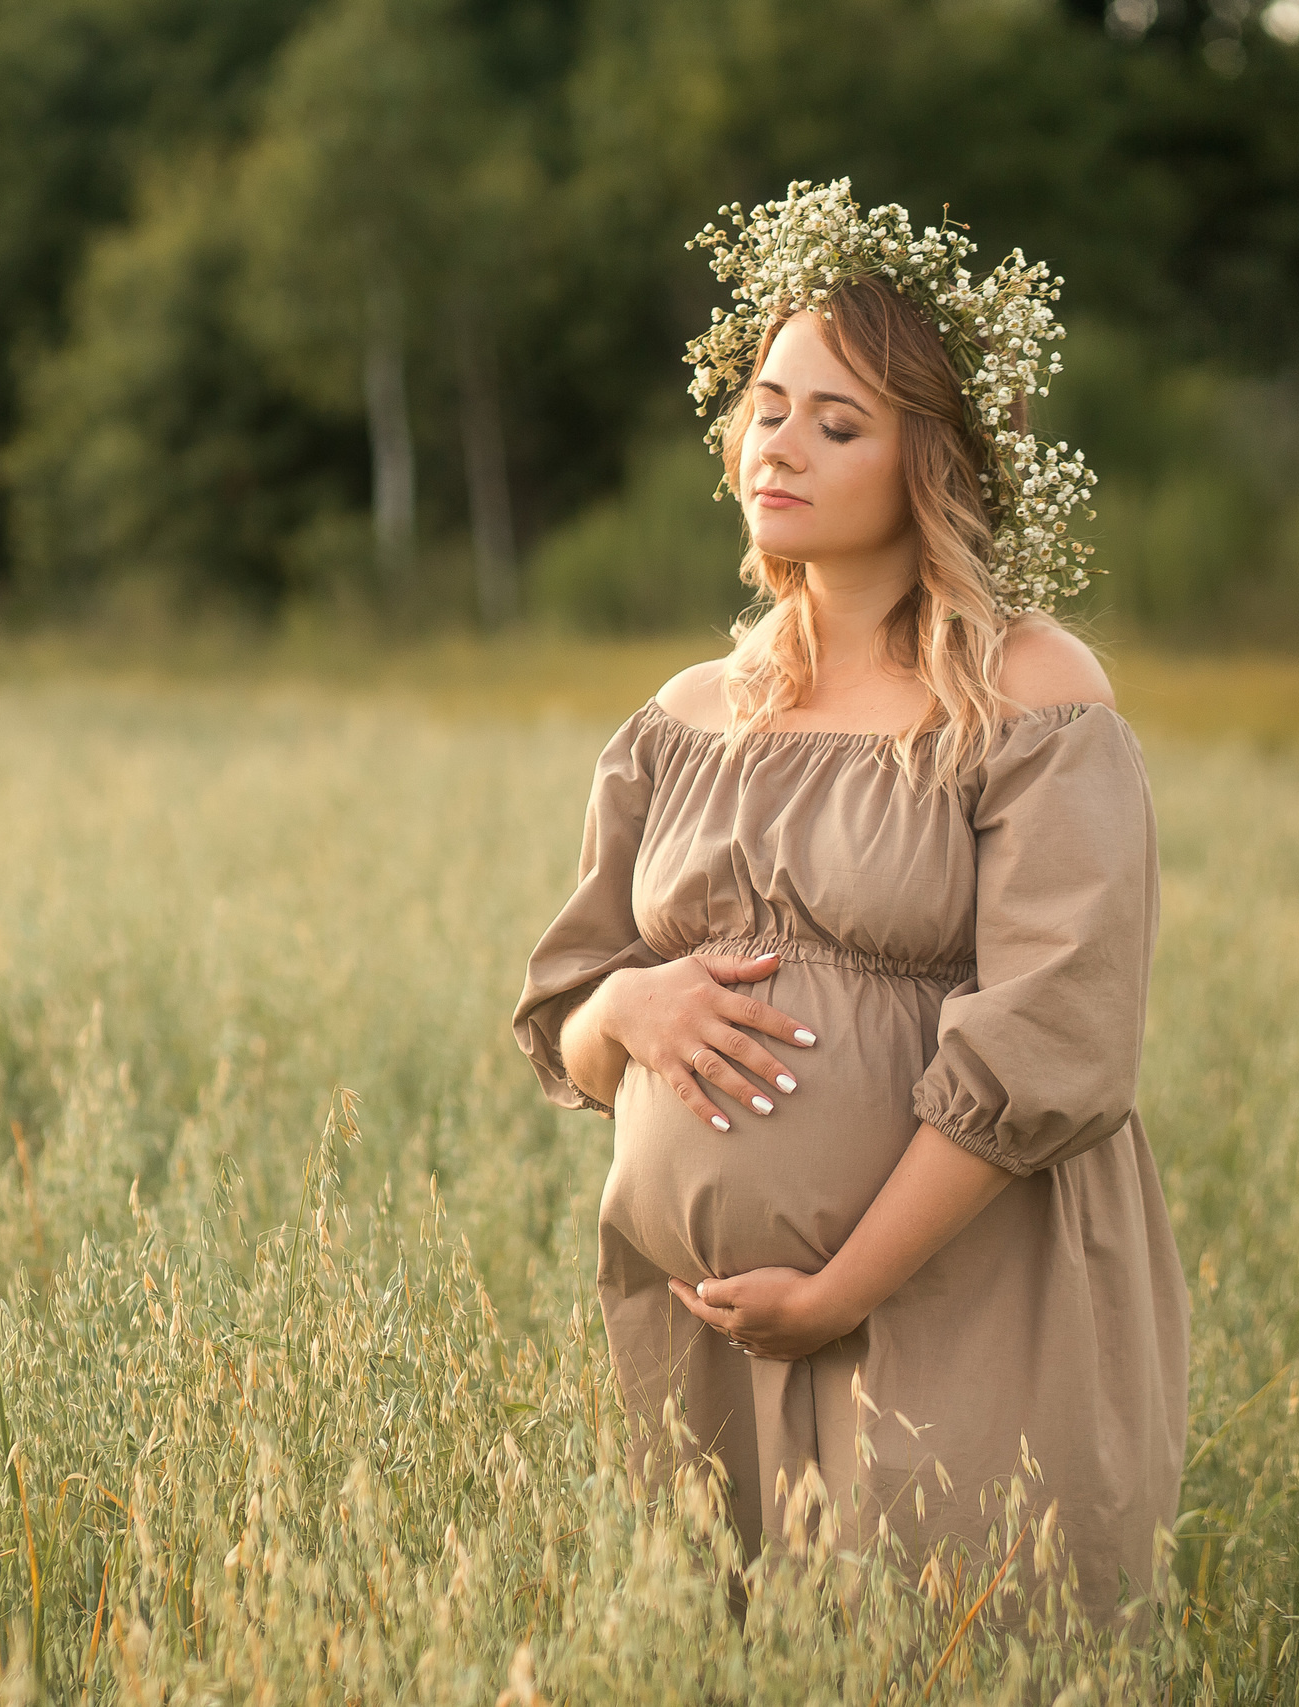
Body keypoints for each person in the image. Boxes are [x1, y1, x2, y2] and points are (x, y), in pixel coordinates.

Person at [512, 181, 1187, 1626]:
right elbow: (567, 1024)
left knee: (958, 1638)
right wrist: (626, 1005)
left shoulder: (1032, 695)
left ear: (928, 459)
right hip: (701, 1339)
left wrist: (838, 1291)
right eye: (767, 406)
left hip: (961, 1303)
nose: (784, 446)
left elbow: (1058, 1045)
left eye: (840, 421)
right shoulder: (688, 715)